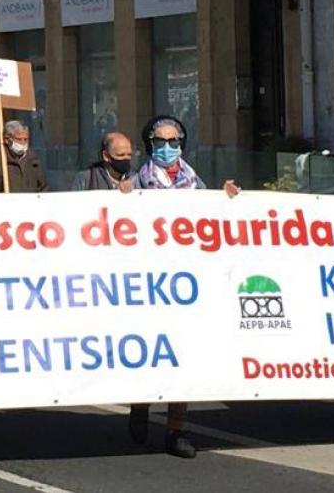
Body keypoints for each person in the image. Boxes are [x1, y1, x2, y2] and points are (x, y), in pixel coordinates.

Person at [128, 115, 238, 459]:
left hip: (187, 284)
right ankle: (141, 405)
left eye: (173, 141)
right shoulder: (137, 183)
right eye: (159, 142)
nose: (167, 148)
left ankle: (177, 429)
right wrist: (122, 199)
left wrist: (229, 198)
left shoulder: (195, 184)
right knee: (150, 353)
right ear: (149, 145)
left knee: (184, 356)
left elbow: (214, 221)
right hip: (148, 284)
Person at [0, 120, 47, 192]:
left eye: (25, 139)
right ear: (7, 139)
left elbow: (43, 188)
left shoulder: (33, 160)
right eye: (19, 139)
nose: (23, 143)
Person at [72, 132, 137, 192]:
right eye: (121, 155)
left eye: (129, 155)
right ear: (106, 156)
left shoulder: (135, 178)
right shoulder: (87, 179)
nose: (126, 158)